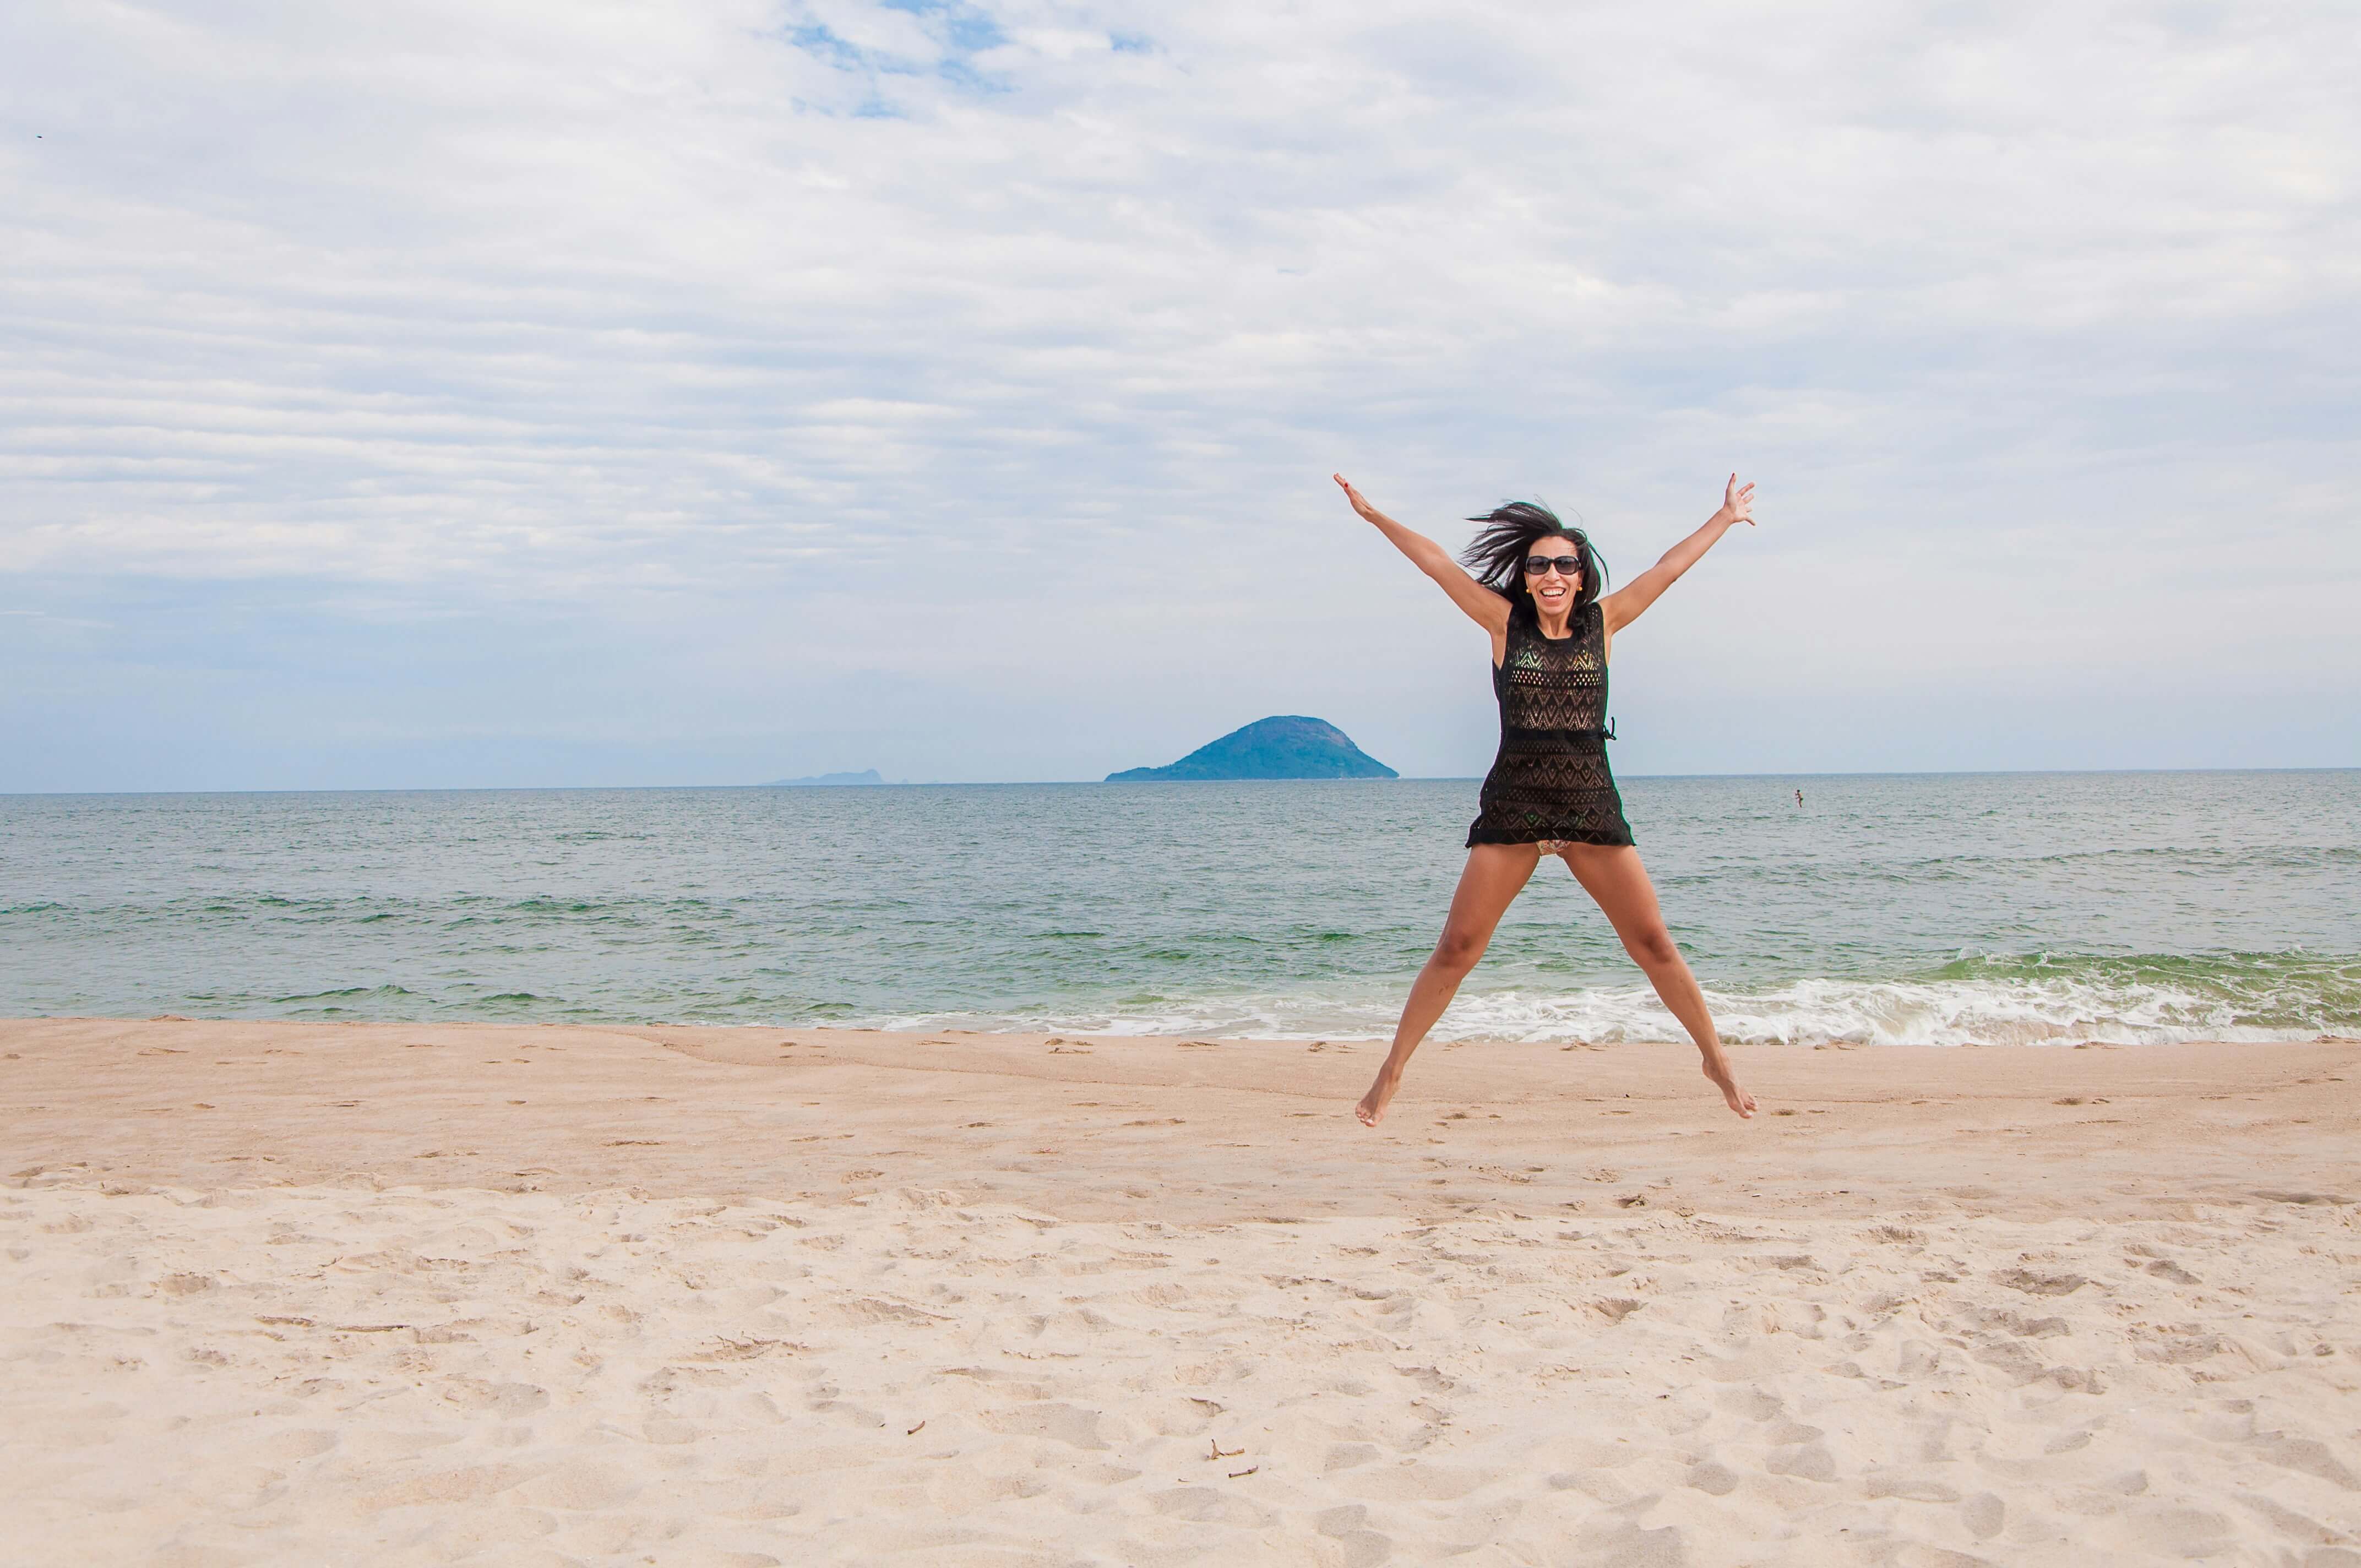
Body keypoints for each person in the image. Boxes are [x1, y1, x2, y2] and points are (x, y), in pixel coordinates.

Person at [1331, 471, 1761, 1126]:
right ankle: (1391, 1070)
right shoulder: (1503, 623)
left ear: (1580, 577)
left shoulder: (1603, 623)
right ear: (1526, 578)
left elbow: (1667, 569)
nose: (1552, 574)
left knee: (1652, 942)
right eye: (1539, 565)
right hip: (1513, 808)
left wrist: (1723, 518)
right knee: (1457, 948)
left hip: (1590, 807)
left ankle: (1716, 1061)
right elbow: (1437, 564)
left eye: (1564, 564)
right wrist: (1373, 516)